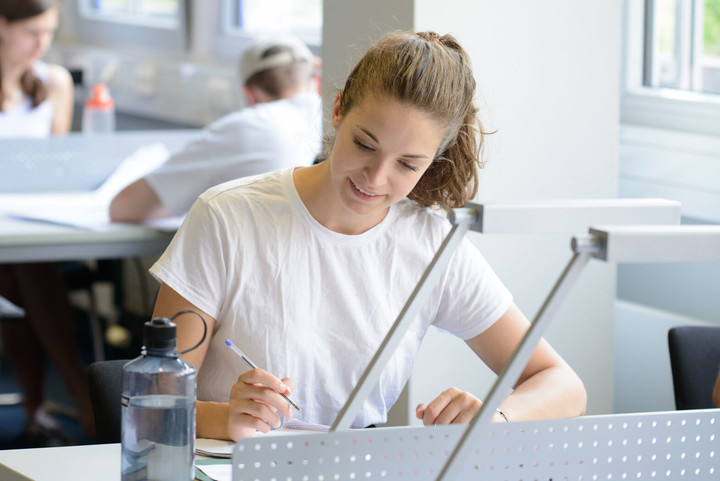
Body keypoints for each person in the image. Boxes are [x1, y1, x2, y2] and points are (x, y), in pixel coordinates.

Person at [149, 31, 587, 441]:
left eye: (408, 164)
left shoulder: (432, 246)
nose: (376, 178)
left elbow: (563, 384)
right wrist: (223, 416)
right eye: (364, 144)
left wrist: (492, 419)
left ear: (433, 161)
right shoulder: (228, 217)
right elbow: (152, 405)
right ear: (338, 109)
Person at [0, 0, 95, 445]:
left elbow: (55, 168)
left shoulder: (53, 82)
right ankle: (79, 393)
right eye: (32, 33)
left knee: (23, 266)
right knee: (25, 267)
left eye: (49, 33)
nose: (43, 44)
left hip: (31, 222)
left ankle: (39, 405)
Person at [109, 35, 322, 223]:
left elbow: (123, 207)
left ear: (250, 94)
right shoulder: (336, 119)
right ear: (317, 80)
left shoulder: (246, 126)